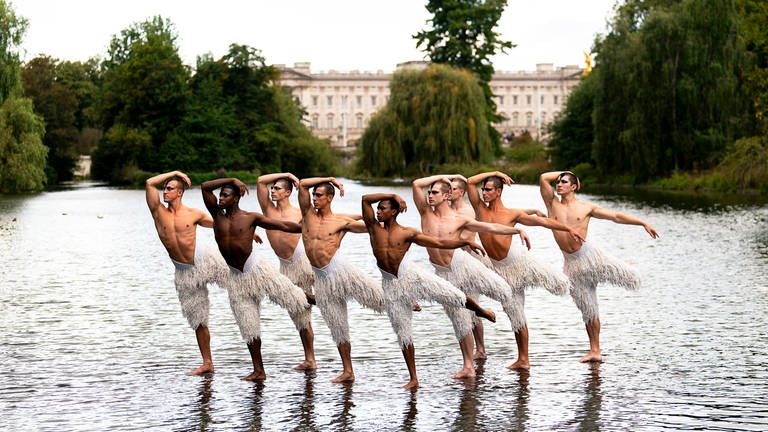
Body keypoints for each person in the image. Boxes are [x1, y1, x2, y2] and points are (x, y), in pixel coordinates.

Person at [362, 193, 496, 388]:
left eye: (383, 208)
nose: (378, 211)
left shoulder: (408, 233)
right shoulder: (374, 229)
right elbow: (365, 199)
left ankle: (480, 311)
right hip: (391, 285)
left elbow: (439, 243)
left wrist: (464, 242)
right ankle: (413, 379)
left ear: (393, 212)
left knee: (452, 294)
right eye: (378, 208)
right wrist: (392, 195)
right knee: (403, 334)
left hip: (412, 275)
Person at [412, 175, 530, 378]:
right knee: (459, 320)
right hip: (442, 272)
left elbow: (490, 227)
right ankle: (468, 366)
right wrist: (441, 177)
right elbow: (416, 184)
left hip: (462, 265)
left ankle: (506, 323)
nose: (429, 195)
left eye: (434, 192)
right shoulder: (425, 213)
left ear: (447, 195)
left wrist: (516, 230)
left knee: (503, 291)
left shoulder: (460, 219)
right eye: (429, 192)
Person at [465, 171, 585, 370]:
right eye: (483, 189)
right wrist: (495, 172)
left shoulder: (512, 214)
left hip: (518, 263)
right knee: (515, 314)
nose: (483, 193)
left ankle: (575, 285)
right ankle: (523, 359)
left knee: (558, 282)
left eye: (488, 189)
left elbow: (543, 221)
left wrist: (568, 229)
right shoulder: (480, 210)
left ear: (498, 192)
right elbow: (470, 181)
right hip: (499, 270)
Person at [540, 171, 659, 362]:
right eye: (558, 182)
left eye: (564, 182)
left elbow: (616, 216)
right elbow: (544, 177)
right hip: (571, 264)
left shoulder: (586, 207)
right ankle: (595, 351)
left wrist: (642, 222)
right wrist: (565, 171)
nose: (559, 184)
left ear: (574, 186)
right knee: (588, 309)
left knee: (631, 277)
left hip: (590, 256)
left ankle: (622, 265)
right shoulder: (551, 203)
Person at [201, 177, 312, 381]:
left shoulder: (250, 217)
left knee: (295, 300)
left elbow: (282, 225)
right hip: (236, 278)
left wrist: (309, 227)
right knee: (248, 326)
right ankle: (259, 371)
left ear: (236, 198)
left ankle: (312, 297)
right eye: (220, 195)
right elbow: (205, 186)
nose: (220, 198)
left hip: (257, 269)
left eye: (225, 195)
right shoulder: (217, 216)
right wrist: (233, 179)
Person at [298, 177, 386, 383]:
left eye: (319, 195)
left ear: (329, 198)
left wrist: (386, 211)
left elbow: (371, 226)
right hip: (321, 279)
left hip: (339, 270)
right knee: (338, 327)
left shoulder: (341, 222)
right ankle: (348, 371)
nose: (314, 198)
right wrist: (329, 179)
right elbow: (302, 185)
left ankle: (404, 300)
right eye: (314, 195)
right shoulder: (307, 215)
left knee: (377, 297)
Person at [145, 171, 218, 375]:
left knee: (245, 280)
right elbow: (150, 183)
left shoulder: (194, 213)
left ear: (179, 193)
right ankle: (207, 363)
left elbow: (221, 224)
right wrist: (175, 173)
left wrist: (249, 232)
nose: (164, 192)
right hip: (184, 272)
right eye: (165, 188)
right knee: (199, 319)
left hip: (205, 259)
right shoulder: (158, 212)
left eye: (169, 189)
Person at [256, 172, 316, 370]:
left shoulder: (299, 212)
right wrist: (287, 174)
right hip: (285, 265)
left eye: (277, 188)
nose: (272, 191)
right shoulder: (268, 210)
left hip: (302, 260)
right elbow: (260, 181)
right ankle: (310, 359)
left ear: (288, 192)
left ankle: (318, 298)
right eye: (272, 188)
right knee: (299, 315)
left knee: (304, 307)